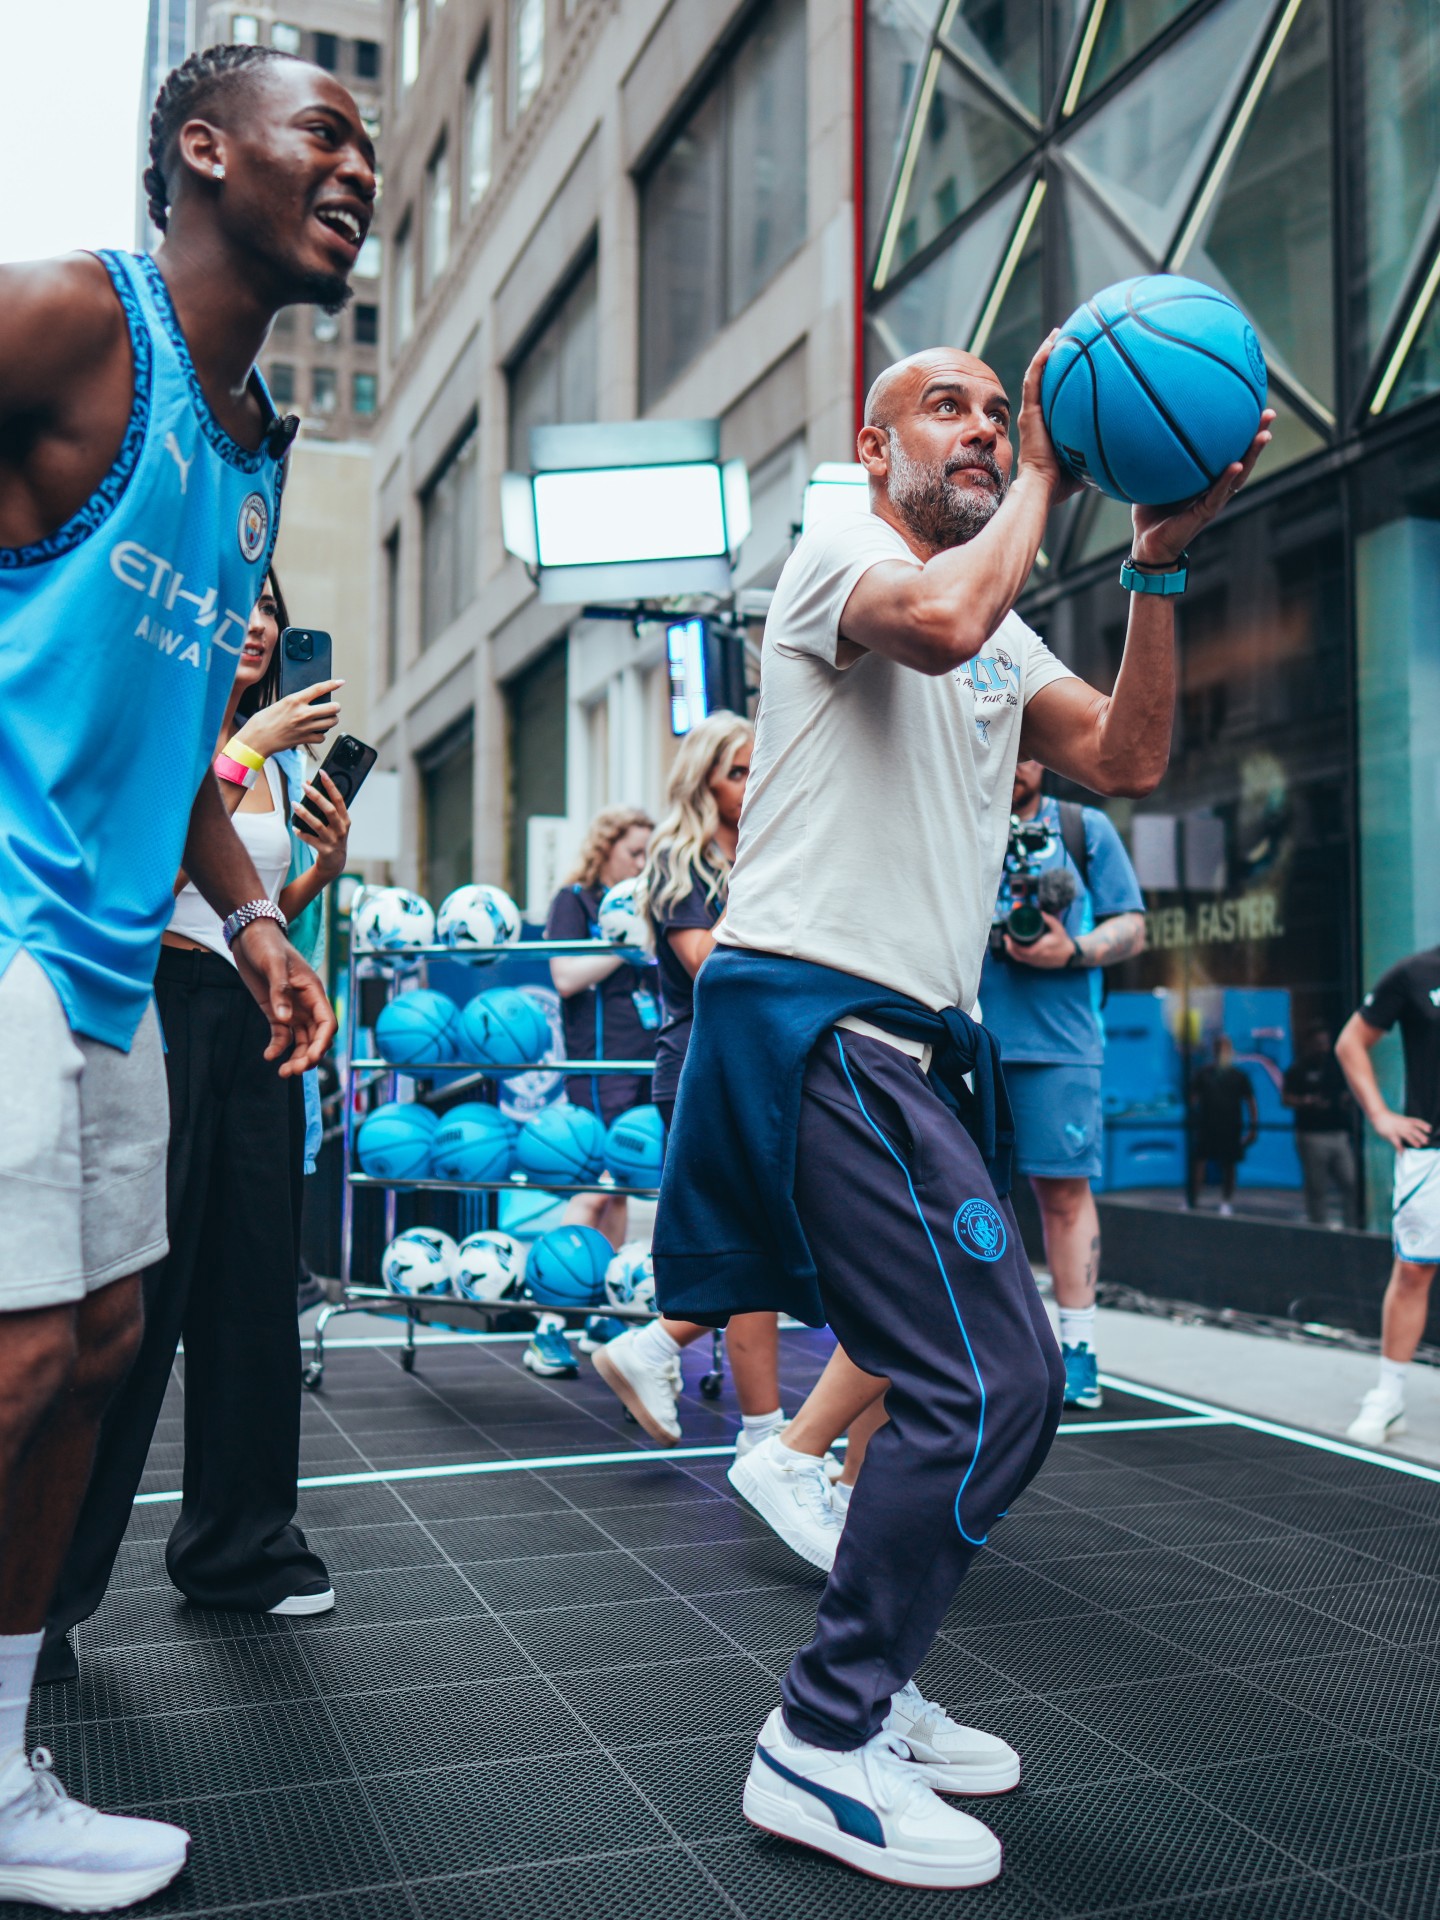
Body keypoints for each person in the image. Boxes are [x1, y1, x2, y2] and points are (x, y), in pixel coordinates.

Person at [651, 339, 1270, 1887]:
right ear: (875, 450)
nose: (990, 427)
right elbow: (938, 622)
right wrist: (1061, 470)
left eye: (1007, 412)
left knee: (996, 1376)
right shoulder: (847, 556)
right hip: (819, 1014)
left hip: (908, 1039)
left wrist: (1160, 566)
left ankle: (872, 1688)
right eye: (955, 408)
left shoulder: (1004, 627)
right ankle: (820, 1736)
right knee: (990, 1380)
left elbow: (1128, 753)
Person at [0, 40, 369, 1909]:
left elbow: (160, 743)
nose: (358, 165)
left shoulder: (243, 454)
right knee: (21, 1353)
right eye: (329, 129)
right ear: (202, 148)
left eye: (367, 143)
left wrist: (250, 915)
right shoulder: (76, 322)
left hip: (112, 953)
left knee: (106, 1354)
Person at [39, 575, 351, 1687]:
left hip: (251, 1014)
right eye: (238, 601)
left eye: (269, 603)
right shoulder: (172, 717)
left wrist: (320, 866)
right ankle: (50, 1589)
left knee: (253, 1287)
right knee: (132, 1298)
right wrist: (245, 744)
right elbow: (135, 863)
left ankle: (238, 1547)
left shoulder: (273, 764)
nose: (257, 619)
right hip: (155, 1007)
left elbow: (254, 906)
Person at [591, 716, 786, 1456]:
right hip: (705, 1072)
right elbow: (717, 970)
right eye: (738, 772)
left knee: (760, 1240)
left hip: (761, 1071)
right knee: (756, 1241)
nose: (754, 781)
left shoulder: (760, 850)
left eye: (759, 768)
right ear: (703, 782)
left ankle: (757, 1428)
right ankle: (668, 1357)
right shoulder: (681, 859)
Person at [527, 807, 657, 1373]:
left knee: (620, 1189)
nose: (643, 864)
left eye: (650, 854)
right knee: (592, 1189)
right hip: (597, 1066)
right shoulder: (575, 901)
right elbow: (564, 976)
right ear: (605, 850)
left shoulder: (646, 906)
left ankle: (601, 1306)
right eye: (635, 853)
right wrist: (628, 945)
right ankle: (548, 1323)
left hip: (645, 1064)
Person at [1336, 947, 1440, 1446]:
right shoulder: (1416, 973)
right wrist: (1380, 1116)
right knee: (1414, 1270)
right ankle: (1389, 1395)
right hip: (1431, 1154)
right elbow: (1351, 1043)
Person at [1282, 1023, 1357, 1228]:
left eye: (1325, 1043)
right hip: (1312, 1135)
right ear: (1309, 1043)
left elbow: (1349, 1091)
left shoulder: (1336, 1067)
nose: (1322, 1047)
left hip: (1338, 1133)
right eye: (1318, 1043)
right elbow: (1286, 1098)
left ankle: (1352, 1227)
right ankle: (1319, 1228)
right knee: (1317, 1186)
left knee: (1350, 1181)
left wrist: (1346, 1099)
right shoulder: (1298, 1069)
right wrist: (1306, 1101)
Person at [1189, 1034, 1258, 1215]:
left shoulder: (1239, 1076)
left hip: (1230, 1127)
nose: (1221, 1052)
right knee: (1200, 1162)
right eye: (1218, 1048)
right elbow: (1192, 1099)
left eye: (1225, 1048)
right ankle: (1193, 1200)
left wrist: (1253, 1126)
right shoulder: (1203, 1074)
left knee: (1229, 1165)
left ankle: (1226, 1201)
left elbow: (1250, 1101)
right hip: (1207, 1126)